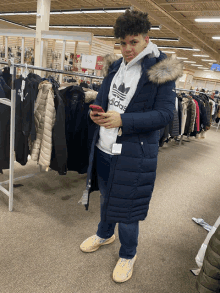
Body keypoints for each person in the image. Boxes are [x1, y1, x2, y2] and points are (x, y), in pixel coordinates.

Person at [79, 9, 183, 283]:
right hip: (104, 146)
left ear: (146, 38)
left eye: (133, 42)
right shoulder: (116, 66)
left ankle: (128, 253)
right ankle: (104, 234)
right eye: (122, 43)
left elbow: (165, 115)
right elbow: (104, 98)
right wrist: (95, 113)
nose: (127, 48)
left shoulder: (161, 70)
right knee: (107, 197)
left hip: (134, 152)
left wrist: (123, 120)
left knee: (127, 209)